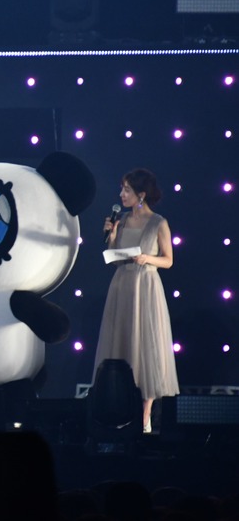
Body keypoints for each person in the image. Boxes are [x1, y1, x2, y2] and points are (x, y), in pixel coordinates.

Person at [94, 168, 179, 434]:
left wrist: (147, 259)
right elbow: (114, 257)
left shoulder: (158, 223)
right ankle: (119, 411)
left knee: (145, 347)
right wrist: (111, 233)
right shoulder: (122, 220)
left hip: (146, 285)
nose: (122, 194)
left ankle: (145, 417)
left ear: (141, 195)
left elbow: (168, 260)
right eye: (122, 189)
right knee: (121, 344)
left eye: (127, 190)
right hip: (122, 284)